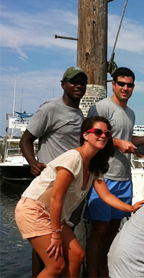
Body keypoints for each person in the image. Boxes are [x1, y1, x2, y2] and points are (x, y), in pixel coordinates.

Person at [15, 116, 144, 278]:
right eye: (98, 132)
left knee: (76, 256)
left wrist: (131, 208)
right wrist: (56, 234)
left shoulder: (94, 164)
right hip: (34, 210)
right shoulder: (73, 159)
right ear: (85, 135)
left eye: (107, 134)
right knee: (55, 266)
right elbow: (56, 198)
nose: (103, 136)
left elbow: (105, 195)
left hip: (53, 215)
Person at [83, 67, 144, 277]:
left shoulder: (130, 113)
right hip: (103, 177)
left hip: (125, 178)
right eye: (121, 84)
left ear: (133, 87)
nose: (125, 88)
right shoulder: (101, 107)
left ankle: (105, 271)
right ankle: (92, 274)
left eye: (129, 85)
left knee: (114, 229)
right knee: (99, 230)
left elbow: (129, 139)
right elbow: (91, 137)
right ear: (113, 84)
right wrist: (116, 143)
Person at [19, 66, 88, 277]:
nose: (78, 86)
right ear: (63, 85)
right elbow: (26, 140)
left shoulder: (79, 113)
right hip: (50, 187)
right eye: (73, 82)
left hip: (70, 188)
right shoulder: (49, 109)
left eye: (82, 83)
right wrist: (33, 162)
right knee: (44, 243)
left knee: (64, 242)